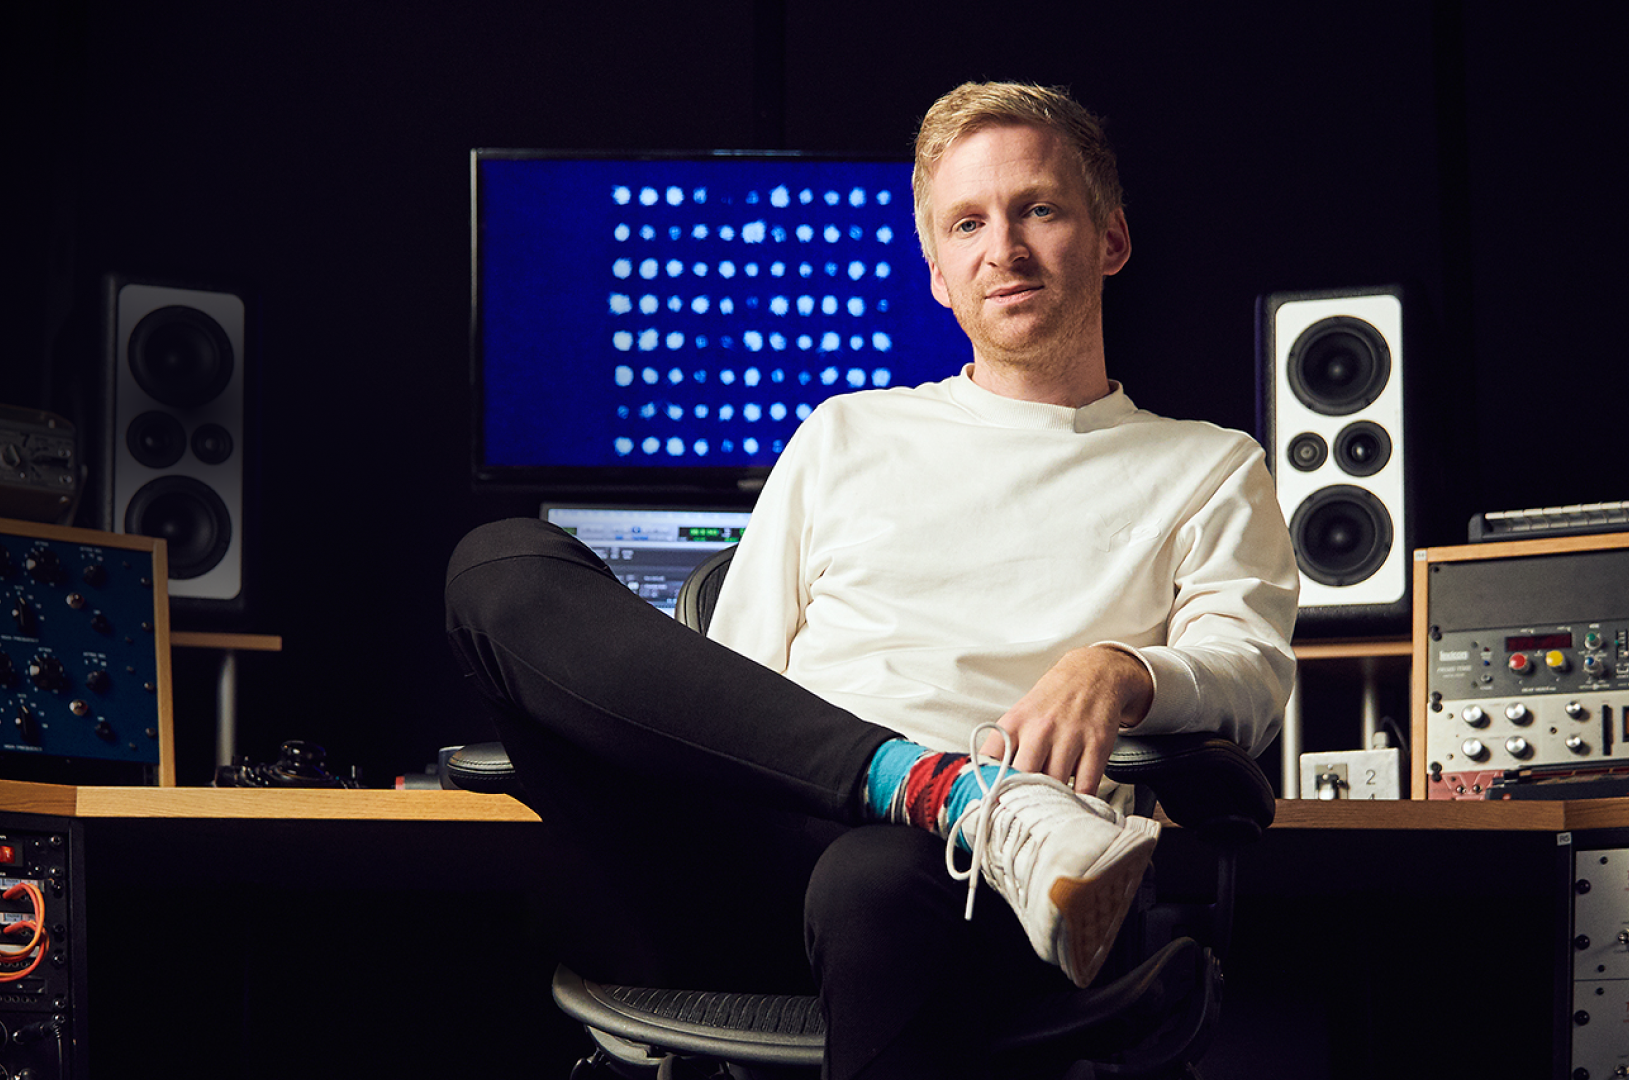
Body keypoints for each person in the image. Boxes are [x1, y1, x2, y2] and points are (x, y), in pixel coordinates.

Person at [445, 81, 1297, 1079]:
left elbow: (1252, 678)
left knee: (877, 877)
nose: (1004, 248)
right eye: (967, 223)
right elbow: (731, 689)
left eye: (1040, 209)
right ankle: (941, 789)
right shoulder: (847, 433)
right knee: (497, 569)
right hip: (747, 861)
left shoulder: (1207, 464)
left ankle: (964, 813)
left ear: (1110, 238)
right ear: (936, 272)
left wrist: (1121, 669)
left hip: (964, 896)